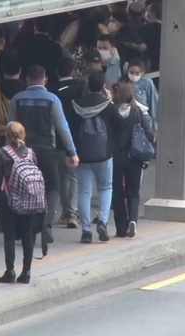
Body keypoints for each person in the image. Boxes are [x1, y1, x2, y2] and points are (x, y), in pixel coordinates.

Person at [7, 65, 80, 245]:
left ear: (27, 80)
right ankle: (46, 223)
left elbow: (11, 127)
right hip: (47, 149)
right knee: (51, 186)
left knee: (22, 187)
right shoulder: (52, 99)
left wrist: (8, 151)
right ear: (45, 80)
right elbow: (63, 127)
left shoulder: (17, 99)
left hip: (22, 150)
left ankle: (25, 227)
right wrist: (72, 151)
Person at [69, 71, 123, 243]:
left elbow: (69, 129)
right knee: (106, 188)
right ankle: (102, 221)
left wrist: (71, 152)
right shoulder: (107, 105)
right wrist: (110, 100)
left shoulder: (76, 104)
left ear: (87, 85)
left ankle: (86, 231)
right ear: (103, 87)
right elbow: (120, 125)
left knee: (84, 192)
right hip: (104, 154)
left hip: (82, 155)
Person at [0, 122, 43, 284]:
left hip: (8, 200)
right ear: (23, 135)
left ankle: (10, 271)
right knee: (27, 235)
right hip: (30, 201)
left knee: (9, 236)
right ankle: (26, 272)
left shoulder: (2, 154)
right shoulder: (31, 154)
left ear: (7, 136)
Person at [111, 82, 154, 238]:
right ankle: (133, 220)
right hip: (134, 157)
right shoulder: (136, 111)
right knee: (133, 192)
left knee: (117, 193)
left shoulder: (112, 111)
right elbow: (148, 132)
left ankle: (121, 229)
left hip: (115, 158)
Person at [55, 58, 85, 229]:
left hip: (59, 140)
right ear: (73, 71)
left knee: (61, 176)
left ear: (57, 72)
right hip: (77, 138)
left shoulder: (53, 91)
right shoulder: (80, 88)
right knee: (73, 175)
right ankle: (73, 212)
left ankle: (66, 211)